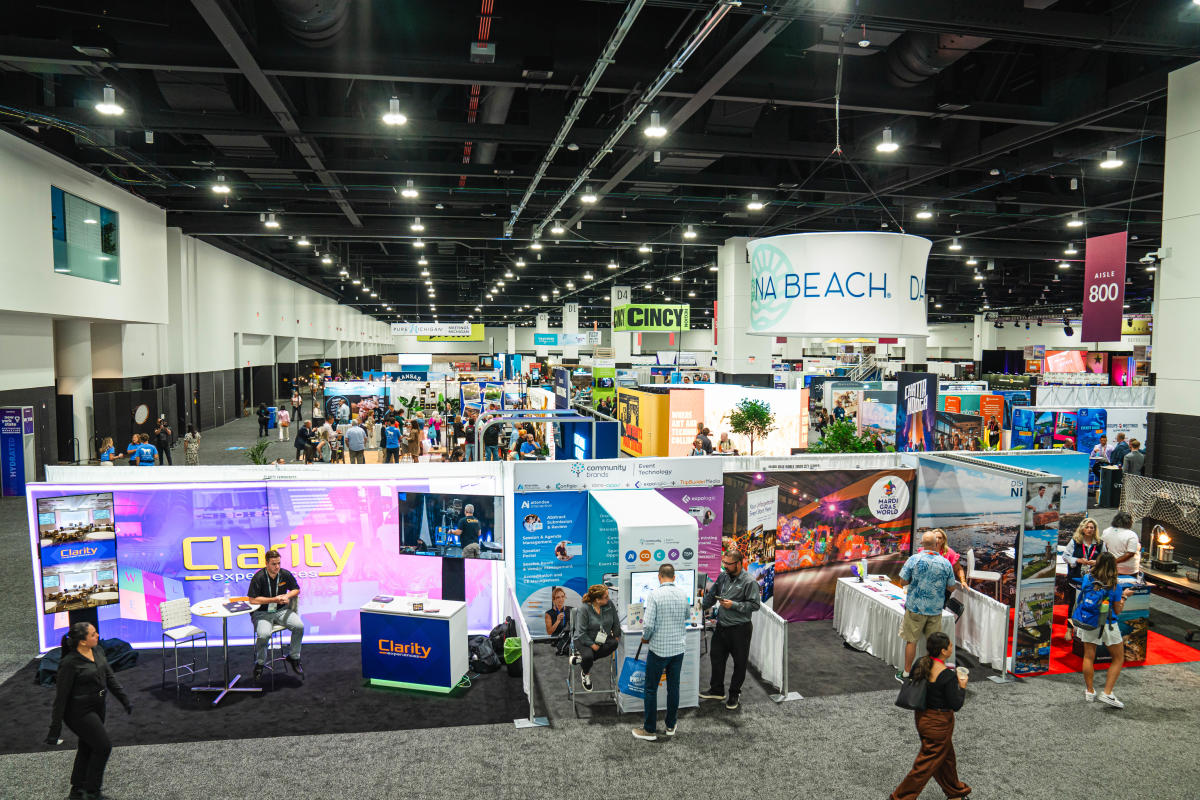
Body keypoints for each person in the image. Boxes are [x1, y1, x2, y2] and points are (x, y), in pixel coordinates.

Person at [45, 621, 132, 800]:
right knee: (103, 747)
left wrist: (123, 699)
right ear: (83, 641)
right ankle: (92, 791)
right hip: (78, 711)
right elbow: (60, 698)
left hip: (98, 705)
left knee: (87, 745)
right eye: (93, 634)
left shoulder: (97, 650)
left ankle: (77, 790)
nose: (97, 636)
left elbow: (108, 675)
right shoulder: (69, 663)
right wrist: (55, 730)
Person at [888, 631, 971, 800]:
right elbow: (956, 705)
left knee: (946, 758)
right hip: (939, 724)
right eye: (949, 646)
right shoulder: (947, 675)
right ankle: (899, 798)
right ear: (942, 651)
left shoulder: (920, 662)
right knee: (924, 765)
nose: (951, 649)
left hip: (922, 718)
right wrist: (962, 686)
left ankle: (955, 792)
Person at [700, 547, 761, 710]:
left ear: (739, 563)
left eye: (728, 564)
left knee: (740, 663)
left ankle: (734, 694)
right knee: (716, 658)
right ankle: (717, 690)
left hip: (740, 629)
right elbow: (712, 596)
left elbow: (755, 605)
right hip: (722, 627)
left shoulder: (749, 582)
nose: (725, 566)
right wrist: (699, 607)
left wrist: (733, 605)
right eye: (724, 563)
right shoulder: (723, 576)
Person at [634, 564, 689, 740]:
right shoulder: (682, 594)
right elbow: (687, 616)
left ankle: (649, 730)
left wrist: (645, 637)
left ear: (659, 577)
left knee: (650, 689)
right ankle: (671, 726)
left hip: (658, 650)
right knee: (674, 688)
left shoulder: (654, 595)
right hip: (678, 649)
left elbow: (649, 625)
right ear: (673, 577)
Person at [894, 531, 957, 682]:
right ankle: (932, 674)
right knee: (934, 644)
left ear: (921, 544)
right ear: (936, 544)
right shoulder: (945, 563)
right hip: (935, 609)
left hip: (915, 607)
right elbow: (952, 587)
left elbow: (902, 581)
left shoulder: (914, 559)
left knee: (911, 640)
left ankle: (907, 673)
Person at [1075, 552, 1135, 707]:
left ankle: (1089, 691)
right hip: (1108, 625)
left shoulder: (1088, 578)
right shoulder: (1115, 586)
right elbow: (1118, 610)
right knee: (1118, 658)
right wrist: (1125, 596)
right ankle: (1107, 693)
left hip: (1089, 621)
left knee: (1089, 656)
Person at [248, 549, 305, 681]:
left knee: (299, 626)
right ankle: (260, 663)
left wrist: (287, 595)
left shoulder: (284, 574)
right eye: (274, 564)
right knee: (264, 635)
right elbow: (252, 600)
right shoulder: (259, 577)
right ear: (266, 564)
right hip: (262, 613)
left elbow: (296, 589)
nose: (277, 567)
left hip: (281, 611)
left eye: (278, 563)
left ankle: (294, 657)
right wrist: (274, 599)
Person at [572, 584, 620, 692]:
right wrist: (593, 645)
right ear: (597, 600)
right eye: (606, 597)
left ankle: (582, 659)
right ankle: (585, 673)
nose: (609, 598)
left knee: (614, 644)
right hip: (584, 639)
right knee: (588, 656)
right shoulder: (584, 609)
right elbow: (581, 633)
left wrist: (616, 635)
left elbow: (616, 622)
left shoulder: (609, 604)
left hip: (602, 637)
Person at [1063, 517, 1105, 639]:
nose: (1089, 529)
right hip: (1076, 578)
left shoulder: (1099, 543)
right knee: (1073, 604)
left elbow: (1105, 559)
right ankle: (1069, 629)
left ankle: (1086, 630)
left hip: (1093, 580)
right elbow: (1065, 556)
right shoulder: (1075, 541)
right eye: (1087, 527)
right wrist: (1077, 560)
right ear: (1082, 528)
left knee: (1090, 603)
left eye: (1092, 528)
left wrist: (1097, 562)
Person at [1101, 510, 1141, 576]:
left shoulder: (1106, 531)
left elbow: (1104, 547)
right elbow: (1130, 553)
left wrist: (1111, 562)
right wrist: (1114, 562)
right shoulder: (1132, 535)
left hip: (1110, 568)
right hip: (1128, 571)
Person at [544, 587, 571, 653]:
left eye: (562, 596)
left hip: (569, 638)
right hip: (556, 639)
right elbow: (549, 632)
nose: (561, 599)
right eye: (558, 597)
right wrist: (557, 621)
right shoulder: (549, 613)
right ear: (554, 600)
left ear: (565, 597)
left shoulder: (571, 610)